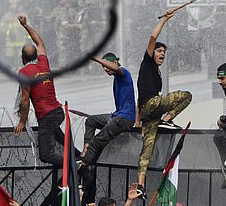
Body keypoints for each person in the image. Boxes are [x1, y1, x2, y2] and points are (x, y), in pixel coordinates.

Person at [136, 8, 192, 197]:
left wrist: (137, 121)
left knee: (147, 149)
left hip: (149, 113)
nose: (162, 54)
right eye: (159, 51)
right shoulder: (147, 61)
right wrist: (165, 20)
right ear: (152, 53)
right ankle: (167, 119)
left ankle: (140, 185)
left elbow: (139, 97)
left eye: (164, 52)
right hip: (152, 105)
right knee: (186, 95)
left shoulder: (155, 73)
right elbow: (153, 37)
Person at [14, 15, 76, 167]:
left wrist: (22, 121)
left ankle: (76, 165)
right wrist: (26, 25)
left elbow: (25, 100)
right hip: (57, 112)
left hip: (47, 117)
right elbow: (39, 42)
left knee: (46, 155)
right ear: (36, 56)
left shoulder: (24, 72)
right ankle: (78, 155)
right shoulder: (44, 63)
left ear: (23, 59)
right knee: (61, 139)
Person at [80, 53, 136, 167]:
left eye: (106, 65)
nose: (105, 68)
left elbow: (116, 68)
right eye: (103, 67)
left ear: (115, 62)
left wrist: (95, 58)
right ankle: (85, 150)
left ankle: (83, 167)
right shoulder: (116, 77)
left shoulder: (123, 73)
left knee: (96, 142)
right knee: (90, 121)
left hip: (124, 118)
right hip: (117, 115)